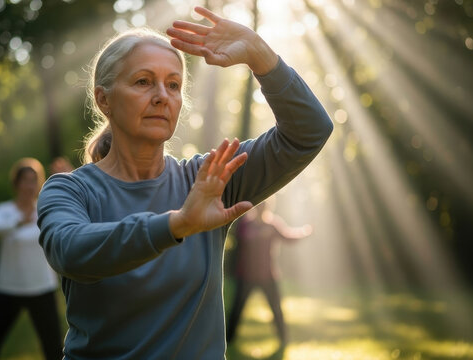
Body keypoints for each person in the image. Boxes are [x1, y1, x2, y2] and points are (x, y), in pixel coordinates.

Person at [37, 6, 333, 359]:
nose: (162, 95)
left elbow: (309, 131)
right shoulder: (68, 190)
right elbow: (71, 251)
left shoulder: (208, 178)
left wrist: (259, 54)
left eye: (173, 84)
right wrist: (177, 224)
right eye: (144, 81)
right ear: (104, 99)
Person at [0, 158, 62, 360]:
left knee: (54, 348)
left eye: (34, 180)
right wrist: (19, 221)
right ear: (16, 184)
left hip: (42, 287)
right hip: (9, 288)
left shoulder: (45, 210)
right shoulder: (4, 211)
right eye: (25, 180)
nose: (29, 186)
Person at [226, 200, 313, 347]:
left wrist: (305, 232)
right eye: (259, 206)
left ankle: (283, 340)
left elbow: (288, 237)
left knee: (276, 310)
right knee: (236, 310)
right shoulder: (244, 225)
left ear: (268, 207)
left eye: (264, 206)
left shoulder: (272, 224)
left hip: (268, 276)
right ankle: (227, 339)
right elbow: (234, 239)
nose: (261, 208)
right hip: (246, 276)